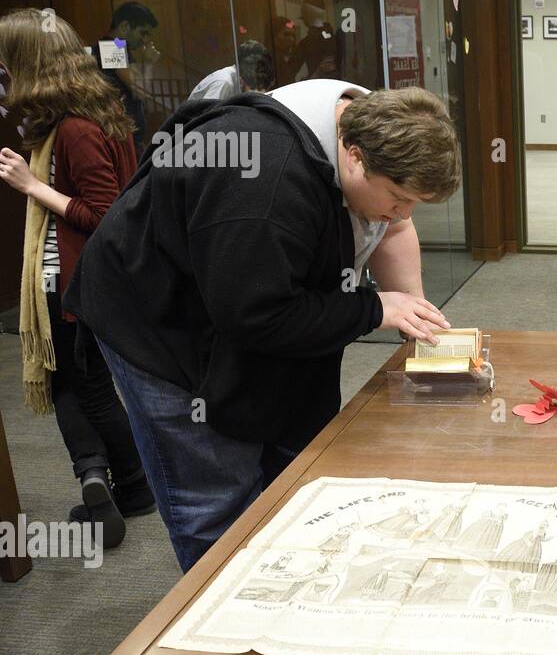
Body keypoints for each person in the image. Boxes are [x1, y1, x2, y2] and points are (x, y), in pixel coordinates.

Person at [64, 78, 461, 571]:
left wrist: (412, 306)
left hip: (239, 293)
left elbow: (391, 225)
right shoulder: (265, 182)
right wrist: (374, 308)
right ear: (355, 156)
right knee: (214, 499)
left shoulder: (365, 119)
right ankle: (223, 622)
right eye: (399, 196)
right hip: (159, 324)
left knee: (289, 464)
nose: (404, 212)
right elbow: (258, 316)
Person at [0, 8, 153, 549]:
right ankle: (116, 485)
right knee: (82, 383)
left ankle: (117, 482)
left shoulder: (76, 127)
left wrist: (30, 185)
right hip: (83, 280)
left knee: (77, 384)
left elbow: (105, 211)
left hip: (73, 281)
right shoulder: (95, 110)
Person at [93, 1, 160, 155]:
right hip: (122, 139)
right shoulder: (111, 46)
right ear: (124, 26)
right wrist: (149, 63)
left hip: (127, 137)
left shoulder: (118, 46)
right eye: (142, 33)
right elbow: (141, 91)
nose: (144, 40)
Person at [187, 40, 275, 101]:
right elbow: (206, 120)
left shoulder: (238, 78)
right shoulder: (224, 82)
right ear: (242, 81)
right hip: (182, 127)